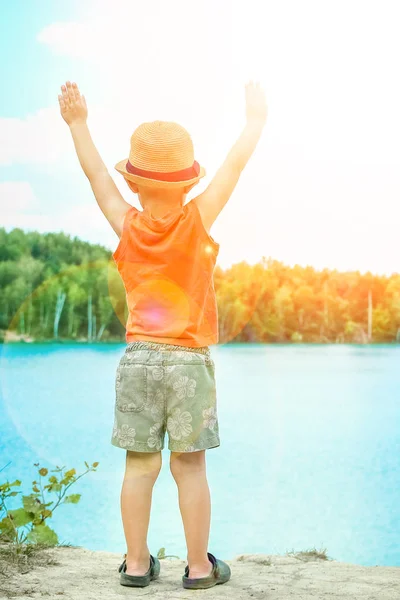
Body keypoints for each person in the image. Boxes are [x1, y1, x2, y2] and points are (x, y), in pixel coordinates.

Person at [58, 79, 267, 589]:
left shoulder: (126, 224)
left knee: (139, 467)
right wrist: (254, 122)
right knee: (190, 469)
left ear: (134, 183)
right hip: (190, 362)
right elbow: (233, 169)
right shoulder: (197, 220)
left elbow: (94, 178)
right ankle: (198, 569)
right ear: (188, 182)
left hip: (139, 359)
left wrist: (78, 124)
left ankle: (135, 564)